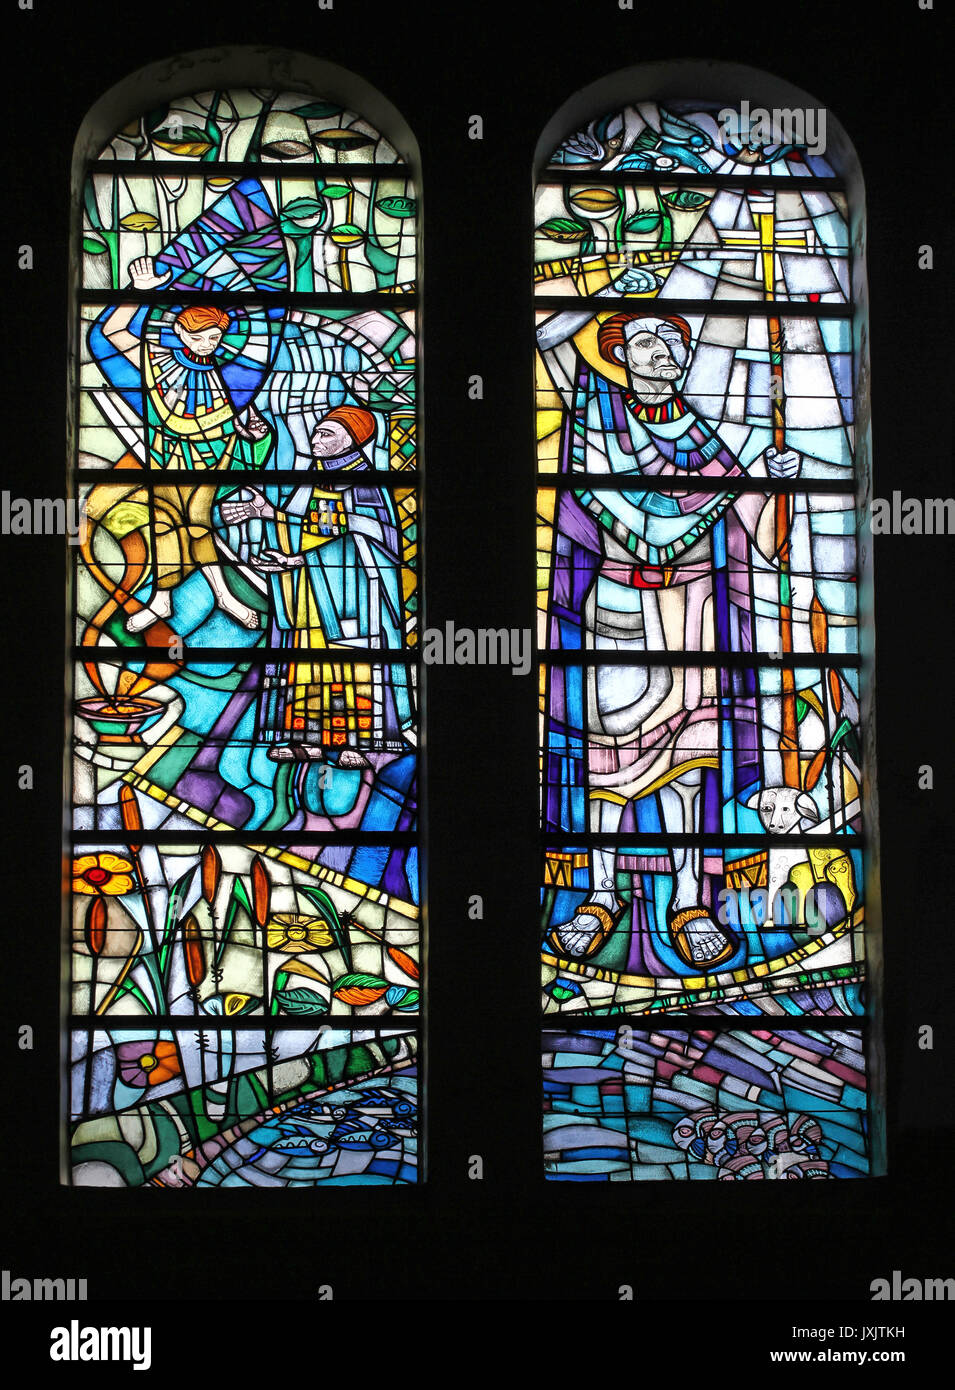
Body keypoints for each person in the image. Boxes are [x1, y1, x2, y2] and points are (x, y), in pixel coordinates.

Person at [537, 272, 804, 970]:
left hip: (691, 615)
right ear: (618, 353)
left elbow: (753, 536)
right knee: (605, 763)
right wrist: (594, 290)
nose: (662, 354)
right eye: (646, 341)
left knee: (690, 767)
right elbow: (541, 341)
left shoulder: (704, 440)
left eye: (671, 344)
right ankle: (598, 896)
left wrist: (773, 486)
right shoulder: (596, 417)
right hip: (616, 607)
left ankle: (688, 898)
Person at [220, 405, 415, 769]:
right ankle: (306, 739)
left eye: (326, 434)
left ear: (353, 440)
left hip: (354, 596)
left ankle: (357, 741)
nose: (315, 439)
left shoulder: (368, 485)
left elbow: (373, 539)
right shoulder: (312, 479)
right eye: (316, 432)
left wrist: (298, 558)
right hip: (308, 593)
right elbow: (300, 527)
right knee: (304, 663)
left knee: (351, 664)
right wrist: (269, 518)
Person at [89, 257, 271, 632]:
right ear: (179, 332)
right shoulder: (153, 361)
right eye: (197, 336)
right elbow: (109, 333)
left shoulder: (228, 377)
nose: (206, 344)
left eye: (215, 338)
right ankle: (164, 598)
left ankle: (219, 596)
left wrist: (253, 432)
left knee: (199, 523)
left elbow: (247, 423)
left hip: (209, 460)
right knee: (162, 525)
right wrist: (138, 293)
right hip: (163, 456)